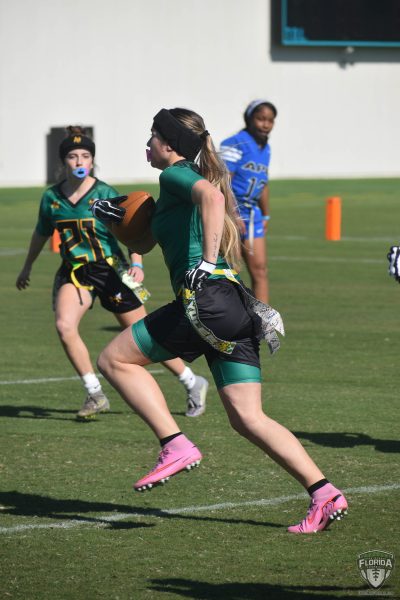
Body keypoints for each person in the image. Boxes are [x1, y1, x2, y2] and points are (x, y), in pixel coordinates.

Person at [91, 107, 348, 534]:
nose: (148, 144)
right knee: (248, 418)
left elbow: (212, 198)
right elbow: (151, 238)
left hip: (205, 300)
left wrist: (207, 262)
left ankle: (174, 444)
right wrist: (118, 220)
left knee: (114, 360)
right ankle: (325, 493)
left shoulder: (175, 175)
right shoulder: (176, 186)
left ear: (169, 144)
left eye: (153, 136)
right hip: (231, 305)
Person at [16, 126, 208, 420]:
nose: (79, 161)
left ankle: (192, 382)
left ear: (92, 160)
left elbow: (132, 227)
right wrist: (27, 266)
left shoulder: (104, 193)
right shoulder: (51, 198)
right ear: (63, 161)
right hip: (75, 272)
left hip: (110, 271)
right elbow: (41, 233)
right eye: (73, 156)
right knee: (65, 326)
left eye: (85, 156)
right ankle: (94, 393)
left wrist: (137, 263)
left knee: (145, 336)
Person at [220, 99, 277, 304]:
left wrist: (266, 214)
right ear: (249, 119)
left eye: (270, 120)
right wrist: (233, 214)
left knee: (260, 269)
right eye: (261, 119)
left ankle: (264, 318)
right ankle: (225, 316)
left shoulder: (265, 148)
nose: (265, 124)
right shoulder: (234, 143)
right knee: (229, 270)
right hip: (229, 213)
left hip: (253, 215)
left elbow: (263, 183)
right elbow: (224, 182)